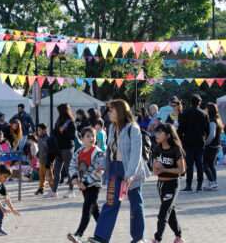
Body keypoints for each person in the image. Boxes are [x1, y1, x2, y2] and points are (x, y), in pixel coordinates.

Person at [88, 99, 147, 243]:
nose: (108, 113)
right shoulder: (112, 128)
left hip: (129, 171)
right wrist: (101, 165)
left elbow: (136, 154)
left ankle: (138, 238)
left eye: (111, 110)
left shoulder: (133, 128)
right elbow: (109, 150)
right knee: (110, 203)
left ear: (120, 111)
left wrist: (130, 174)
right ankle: (101, 237)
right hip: (115, 169)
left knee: (135, 205)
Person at [67, 127, 106, 243]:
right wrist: (74, 178)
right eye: (88, 136)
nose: (91, 138)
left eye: (93, 136)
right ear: (82, 138)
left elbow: (99, 170)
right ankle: (104, 233)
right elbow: (72, 165)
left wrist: (85, 182)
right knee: (94, 211)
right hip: (83, 186)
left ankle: (78, 234)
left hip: (94, 185)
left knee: (87, 208)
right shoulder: (78, 152)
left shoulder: (98, 153)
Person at [150, 123, 186, 243]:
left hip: (172, 185)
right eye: (156, 132)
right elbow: (155, 171)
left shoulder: (176, 149)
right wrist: (155, 167)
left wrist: (164, 169)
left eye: (160, 132)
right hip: (160, 185)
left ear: (168, 135)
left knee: (163, 213)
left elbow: (181, 170)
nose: (157, 135)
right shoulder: (157, 148)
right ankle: (178, 236)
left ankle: (157, 238)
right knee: (170, 213)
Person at [178, 94, 210, 192]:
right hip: (200, 142)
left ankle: (189, 185)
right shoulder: (204, 114)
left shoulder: (185, 113)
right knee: (199, 164)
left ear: (191, 102)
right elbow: (207, 130)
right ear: (199, 102)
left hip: (188, 142)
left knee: (189, 164)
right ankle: (199, 185)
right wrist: (204, 138)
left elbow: (180, 129)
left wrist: (180, 140)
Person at [46, 103, 76, 199]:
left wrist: (63, 132)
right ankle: (54, 191)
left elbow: (72, 136)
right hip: (58, 149)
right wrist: (57, 131)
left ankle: (71, 190)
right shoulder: (59, 120)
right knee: (56, 170)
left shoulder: (70, 122)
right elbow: (55, 132)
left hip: (67, 148)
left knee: (68, 170)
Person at [203, 103, 223, 190]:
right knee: (211, 165)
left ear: (209, 110)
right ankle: (214, 183)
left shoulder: (212, 121)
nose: (205, 110)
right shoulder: (218, 119)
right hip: (217, 145)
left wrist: (206, 143)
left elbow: (212, 135)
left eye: (206, 108)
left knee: (204, 164)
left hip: (212, 146)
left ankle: (212, 182)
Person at [35, 123, 53, 195]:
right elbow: (40, 149)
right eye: (38, 130)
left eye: (39, 130)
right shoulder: (39, 138)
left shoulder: (48, 139)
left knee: (49, 176)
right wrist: (38, 154)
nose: (38, 131)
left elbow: (51, 151)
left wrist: (50, 161)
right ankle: (41, 188)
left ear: (44, 130)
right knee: (41, 175)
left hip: (48, 161)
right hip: (41, 161)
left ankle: (53, 189)